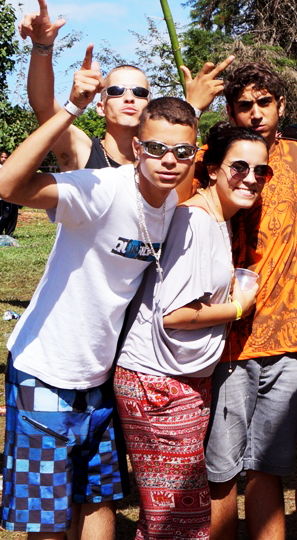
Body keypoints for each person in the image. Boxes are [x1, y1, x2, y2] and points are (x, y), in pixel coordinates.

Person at [0, 45, 196, 538]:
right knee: (47, 516)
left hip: (101, 375)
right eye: (156, 149)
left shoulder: (174, 203)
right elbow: (7, 184)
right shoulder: (100, 187)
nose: (169, 160)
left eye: (182, 152)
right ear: (139, 147)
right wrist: (69, 103)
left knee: (98, 498)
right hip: (46, 368)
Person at [113, 124, 266, 538]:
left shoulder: (218, 219)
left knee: (175, 515)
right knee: (176, 518)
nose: (251, 178)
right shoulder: (194, 220)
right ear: (212, 169)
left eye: (261, 171)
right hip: (157, 384)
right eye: (239, 167)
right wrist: (238, 307)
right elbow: (173, 314)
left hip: (181, 381)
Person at [195, 62, 297, 540]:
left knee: (269, 467)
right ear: (231, 112)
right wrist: (192, 109)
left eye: (265, 102)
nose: (256, 113)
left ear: (281, 106)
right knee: (221, 470)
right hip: (224, 340)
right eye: (245, 105)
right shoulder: (209, 161)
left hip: (286, 338)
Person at [17, 0, 228, 172]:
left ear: (149, 106)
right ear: (100, 106)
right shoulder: (81, 151)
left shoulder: (164, 161)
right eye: (117, 91)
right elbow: (43, 105)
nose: (129, 98)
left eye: (139, 92)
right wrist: (42, 47)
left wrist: (193, 110)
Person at [0, 150, 21, 237]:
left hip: (13, 196)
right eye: (2, 157)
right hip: (3, 197)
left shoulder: (12, 167)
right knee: (4, 216)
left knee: (13, 216)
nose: (4, 159)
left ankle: (9, 235)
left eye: (5, 157)